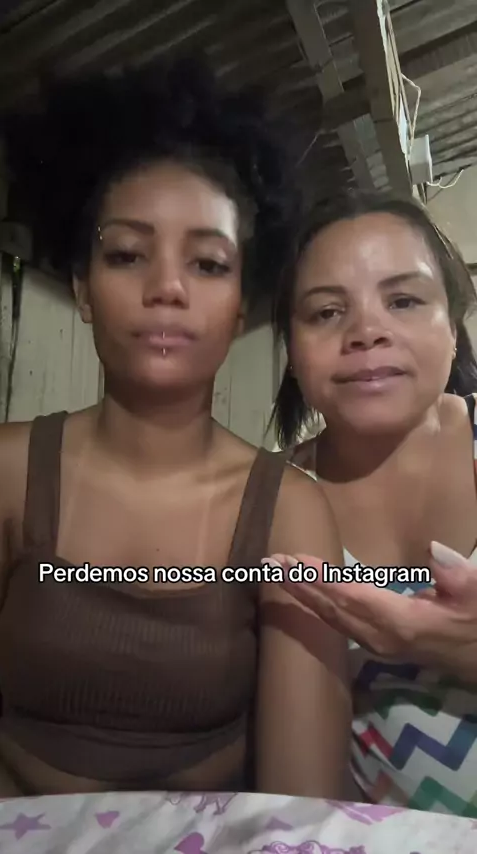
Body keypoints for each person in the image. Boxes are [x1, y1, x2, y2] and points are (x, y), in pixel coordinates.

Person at [0, 57, 350, 797]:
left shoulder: (290, 510)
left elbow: (299, 806)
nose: (166, 287)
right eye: (127, 255)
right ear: (83, 290)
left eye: (209, 264)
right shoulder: (6, 471)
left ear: (242, 307)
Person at [268, 190, 477, 816]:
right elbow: (297, 791)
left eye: (404, 300)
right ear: (292, 350)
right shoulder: (274, 500)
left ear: (453, 324)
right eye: (327, 312)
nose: (366, 332)